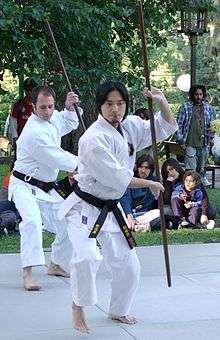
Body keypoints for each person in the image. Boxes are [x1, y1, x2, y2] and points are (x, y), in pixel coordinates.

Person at [59, 80, 178, 333]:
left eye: (120, 104)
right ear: (100, 106)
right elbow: (117, 178)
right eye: (109, 104)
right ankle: (78, 306)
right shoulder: (92, 139)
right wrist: (150, 183)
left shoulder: (131, 126)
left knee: (129, 265)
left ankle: (119, 310)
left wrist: (161, 100)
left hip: (111, 208)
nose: (116, 110)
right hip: (85, 207)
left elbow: (164, 127)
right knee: (87, 257)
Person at [8, 85, 81, 291]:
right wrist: (88, 163)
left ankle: (56, 263)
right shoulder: (33, 133)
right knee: (32, 221)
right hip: (23, 184)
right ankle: (28, 274)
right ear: (33, 106)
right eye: (43, 108)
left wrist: (68, 108)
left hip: (46, 188)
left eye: (51, 106)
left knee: (69, 218)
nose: (48, 111)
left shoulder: (51, 118)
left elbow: (68, 122)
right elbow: (58, 157)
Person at [176, 85, 215, 185]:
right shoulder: (185, 106)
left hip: (204, 143)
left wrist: (211, 138)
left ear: (203, 95)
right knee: (191, 169)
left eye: (200, 94)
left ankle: (200, 188)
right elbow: (178, 125)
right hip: (189, 143)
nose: (198, 96)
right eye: (196, 94)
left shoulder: (207, 107)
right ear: (192, 95)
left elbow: (212, 125)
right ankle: (190, 188)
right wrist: (180, 141)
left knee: (201, 168)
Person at [161, 158, 216, 228]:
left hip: (194, 206)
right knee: (165, 211)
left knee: (211, 211)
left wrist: (204, 214)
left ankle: (191, 221)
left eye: (171, 169)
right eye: (167, 172)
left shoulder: (190, 176)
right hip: (178, 209)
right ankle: (186, 221)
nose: (170, 173)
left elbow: (204, 196)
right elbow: (165, 200)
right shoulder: (168, 182)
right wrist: (168, 183)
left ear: (176, 167)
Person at [120, 154, 160, 232]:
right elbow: (125, 198)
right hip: (129, 214)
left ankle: (137, 226)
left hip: (144, 214)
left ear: (151, 170)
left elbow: (157, 200)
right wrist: (129, 215)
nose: (143, 170)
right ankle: (139, 226)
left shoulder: (154, 181)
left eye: (146, 168)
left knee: (159, 213)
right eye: (141, 167)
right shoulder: (131, 179)